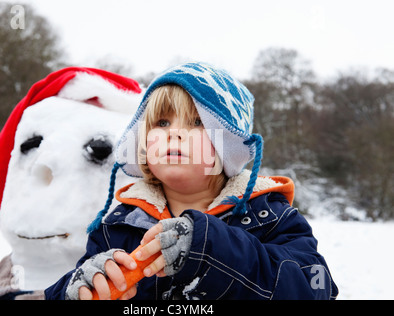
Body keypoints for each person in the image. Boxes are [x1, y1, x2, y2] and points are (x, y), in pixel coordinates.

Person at [45, 62, 338, 300]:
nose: (174, 133)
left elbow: (315, 287)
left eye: (197, 122)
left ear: (227, 146)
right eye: (162, 123)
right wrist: (76, 289)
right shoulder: (118, 227)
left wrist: (210, 249)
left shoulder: (267, 217)